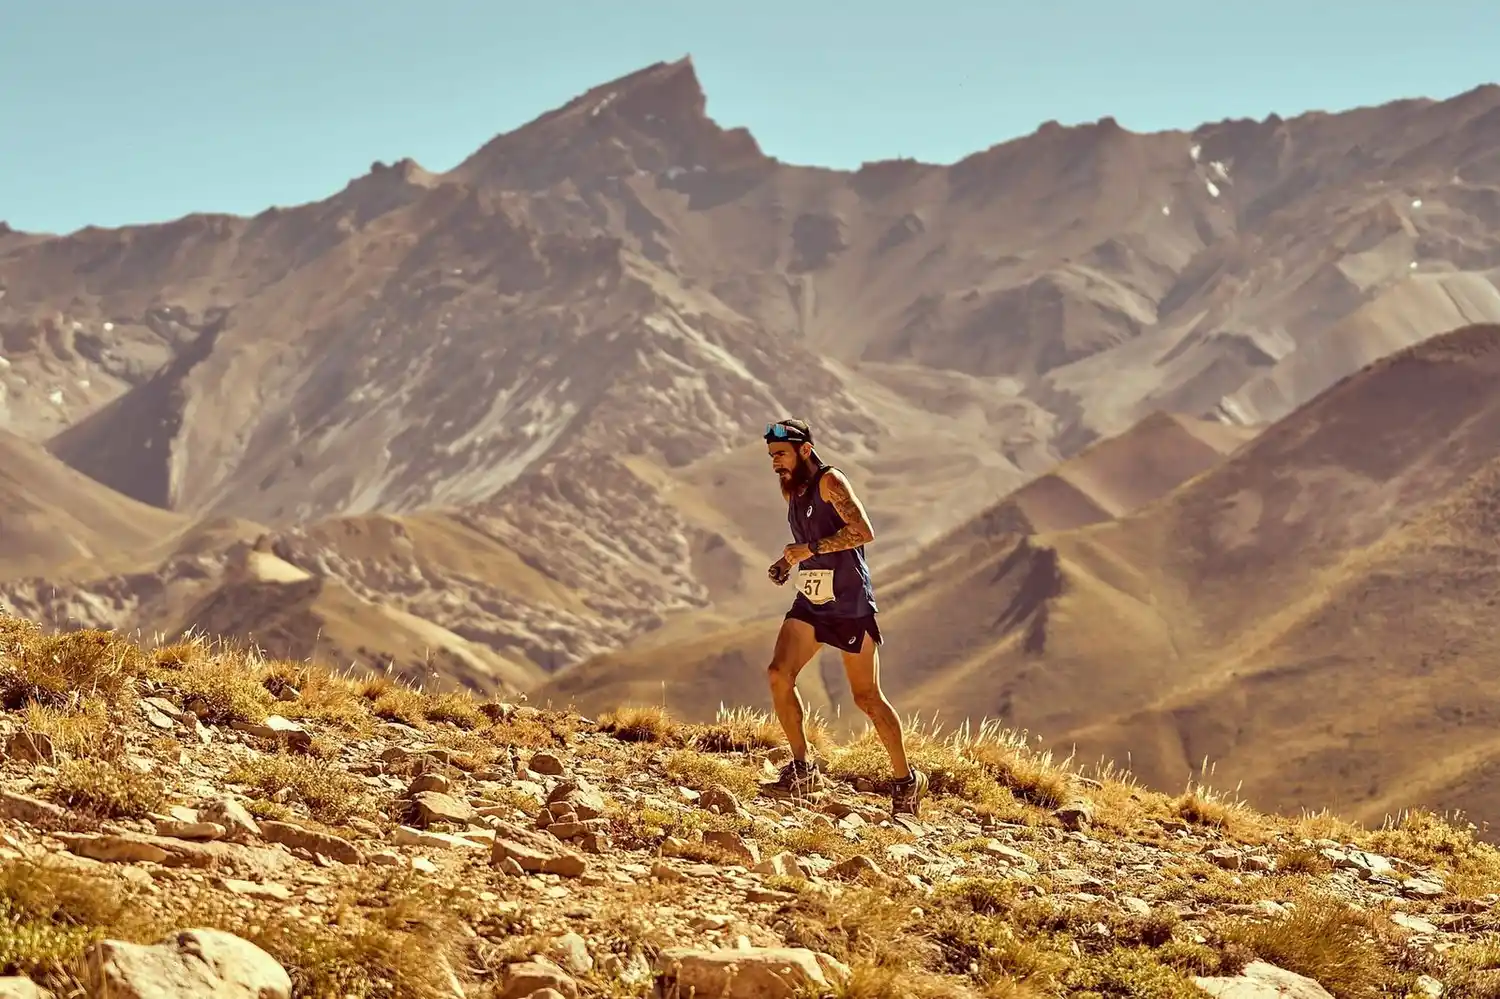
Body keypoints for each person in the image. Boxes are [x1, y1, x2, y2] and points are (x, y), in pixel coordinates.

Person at [758, 418, 929, 816]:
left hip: (849, 603)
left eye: (780, 455)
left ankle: (906, 781)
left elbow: (863, 531)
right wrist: (786, 561)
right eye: (770, 457)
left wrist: (809, 548)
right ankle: (803, 770)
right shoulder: (792, 489)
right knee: (778, 674)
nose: (775, 464)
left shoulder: (831, 482)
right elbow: (806, 547)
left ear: (804, 450)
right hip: (812, 600)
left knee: (866, 697)